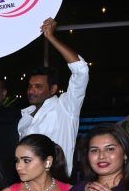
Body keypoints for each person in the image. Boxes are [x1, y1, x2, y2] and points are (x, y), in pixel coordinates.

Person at [18, 18, 90, 174]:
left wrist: (51, 37)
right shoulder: (25, 116)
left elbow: (81, 71)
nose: (31, 91)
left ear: (53, 89)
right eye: (30, 86)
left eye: (38, 87)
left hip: (57, 183)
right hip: (28, 183)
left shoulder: (66, 107)